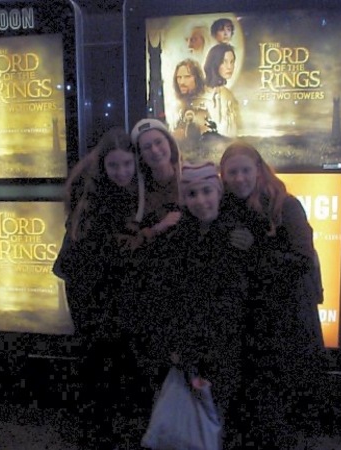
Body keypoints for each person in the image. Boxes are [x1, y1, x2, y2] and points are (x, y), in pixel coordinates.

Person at [136, 161, 249, 448]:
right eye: (192, 194)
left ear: (219, 192)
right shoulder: (178, 238)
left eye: (207, 191)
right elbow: (169, 297)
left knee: (213, 424)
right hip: (185, 351)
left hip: (219, 354)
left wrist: (204, 361)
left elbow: (231, 306)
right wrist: (176, 349)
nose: (201, 201)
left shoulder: (235, 236)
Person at [219, 141, 325, 448]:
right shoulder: (224, 208)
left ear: (258, 170)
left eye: (245, 170)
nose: (239, 178)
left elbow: (302, 259)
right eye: (232, 172)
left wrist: (256, 251)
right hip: (247, 323)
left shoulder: (285, 205)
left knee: (277, 407)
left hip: (284, 321)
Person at [53, 127, 144, 449]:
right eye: (115, 166)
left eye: (127, 165)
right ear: (102, 165)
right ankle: (98, 430)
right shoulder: (96, 196)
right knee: (99, 356)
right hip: (90, 288)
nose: (122, 172)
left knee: (104, 357)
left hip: (99, 285)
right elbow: (106, 251)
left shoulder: (102, 187)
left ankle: (100, 427)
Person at [171, 59, 210, 152]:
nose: (181, 82)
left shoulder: (208, 103)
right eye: (179, 77)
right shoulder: (176, 106)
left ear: (197, 78)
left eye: (187, 77)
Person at [203, 43, 240, 137]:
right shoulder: (204, 92)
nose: (229, 67)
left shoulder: (226, 93)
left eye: (232, 62)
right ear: (215, 63)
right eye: (224, 62)